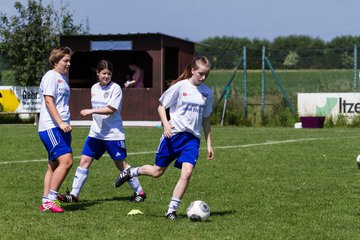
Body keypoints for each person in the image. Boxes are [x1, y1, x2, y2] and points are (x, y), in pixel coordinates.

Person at [114, 56, 214, 220]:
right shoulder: (180, 87)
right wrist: (166, 125)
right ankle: (131, 172)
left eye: (206, 75)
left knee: (187, 172)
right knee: (156, 172)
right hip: (173, 136)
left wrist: (209, 144)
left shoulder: (207, 92)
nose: (203, 78)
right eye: (201, 74)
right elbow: (161, 106)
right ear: (193, 70)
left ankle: (171, 210)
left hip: (192, 139)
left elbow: (206, 119)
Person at [57, 60, 146, 204]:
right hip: (96, 134)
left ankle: (140, 192)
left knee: (121, 165)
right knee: (84, 161)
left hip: (113, 135)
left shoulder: (115, 88)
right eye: (104, 73)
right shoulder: (94, 88)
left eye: (109, 74)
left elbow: (111, 109)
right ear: (98, 73)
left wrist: (91, 110)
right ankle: (73, 195)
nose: (106, 76)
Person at [38, 47, 73, 213]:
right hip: (52, 127)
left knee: (53, 166)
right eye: (65, 60)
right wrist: (60, 123)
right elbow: (49, 102)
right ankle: (52, 200)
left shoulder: (63, 78)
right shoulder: (51, 76)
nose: (68, 63)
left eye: (69, 60)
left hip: (62, 127)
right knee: (67, 161)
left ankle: (45, 200)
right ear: (55, 62)